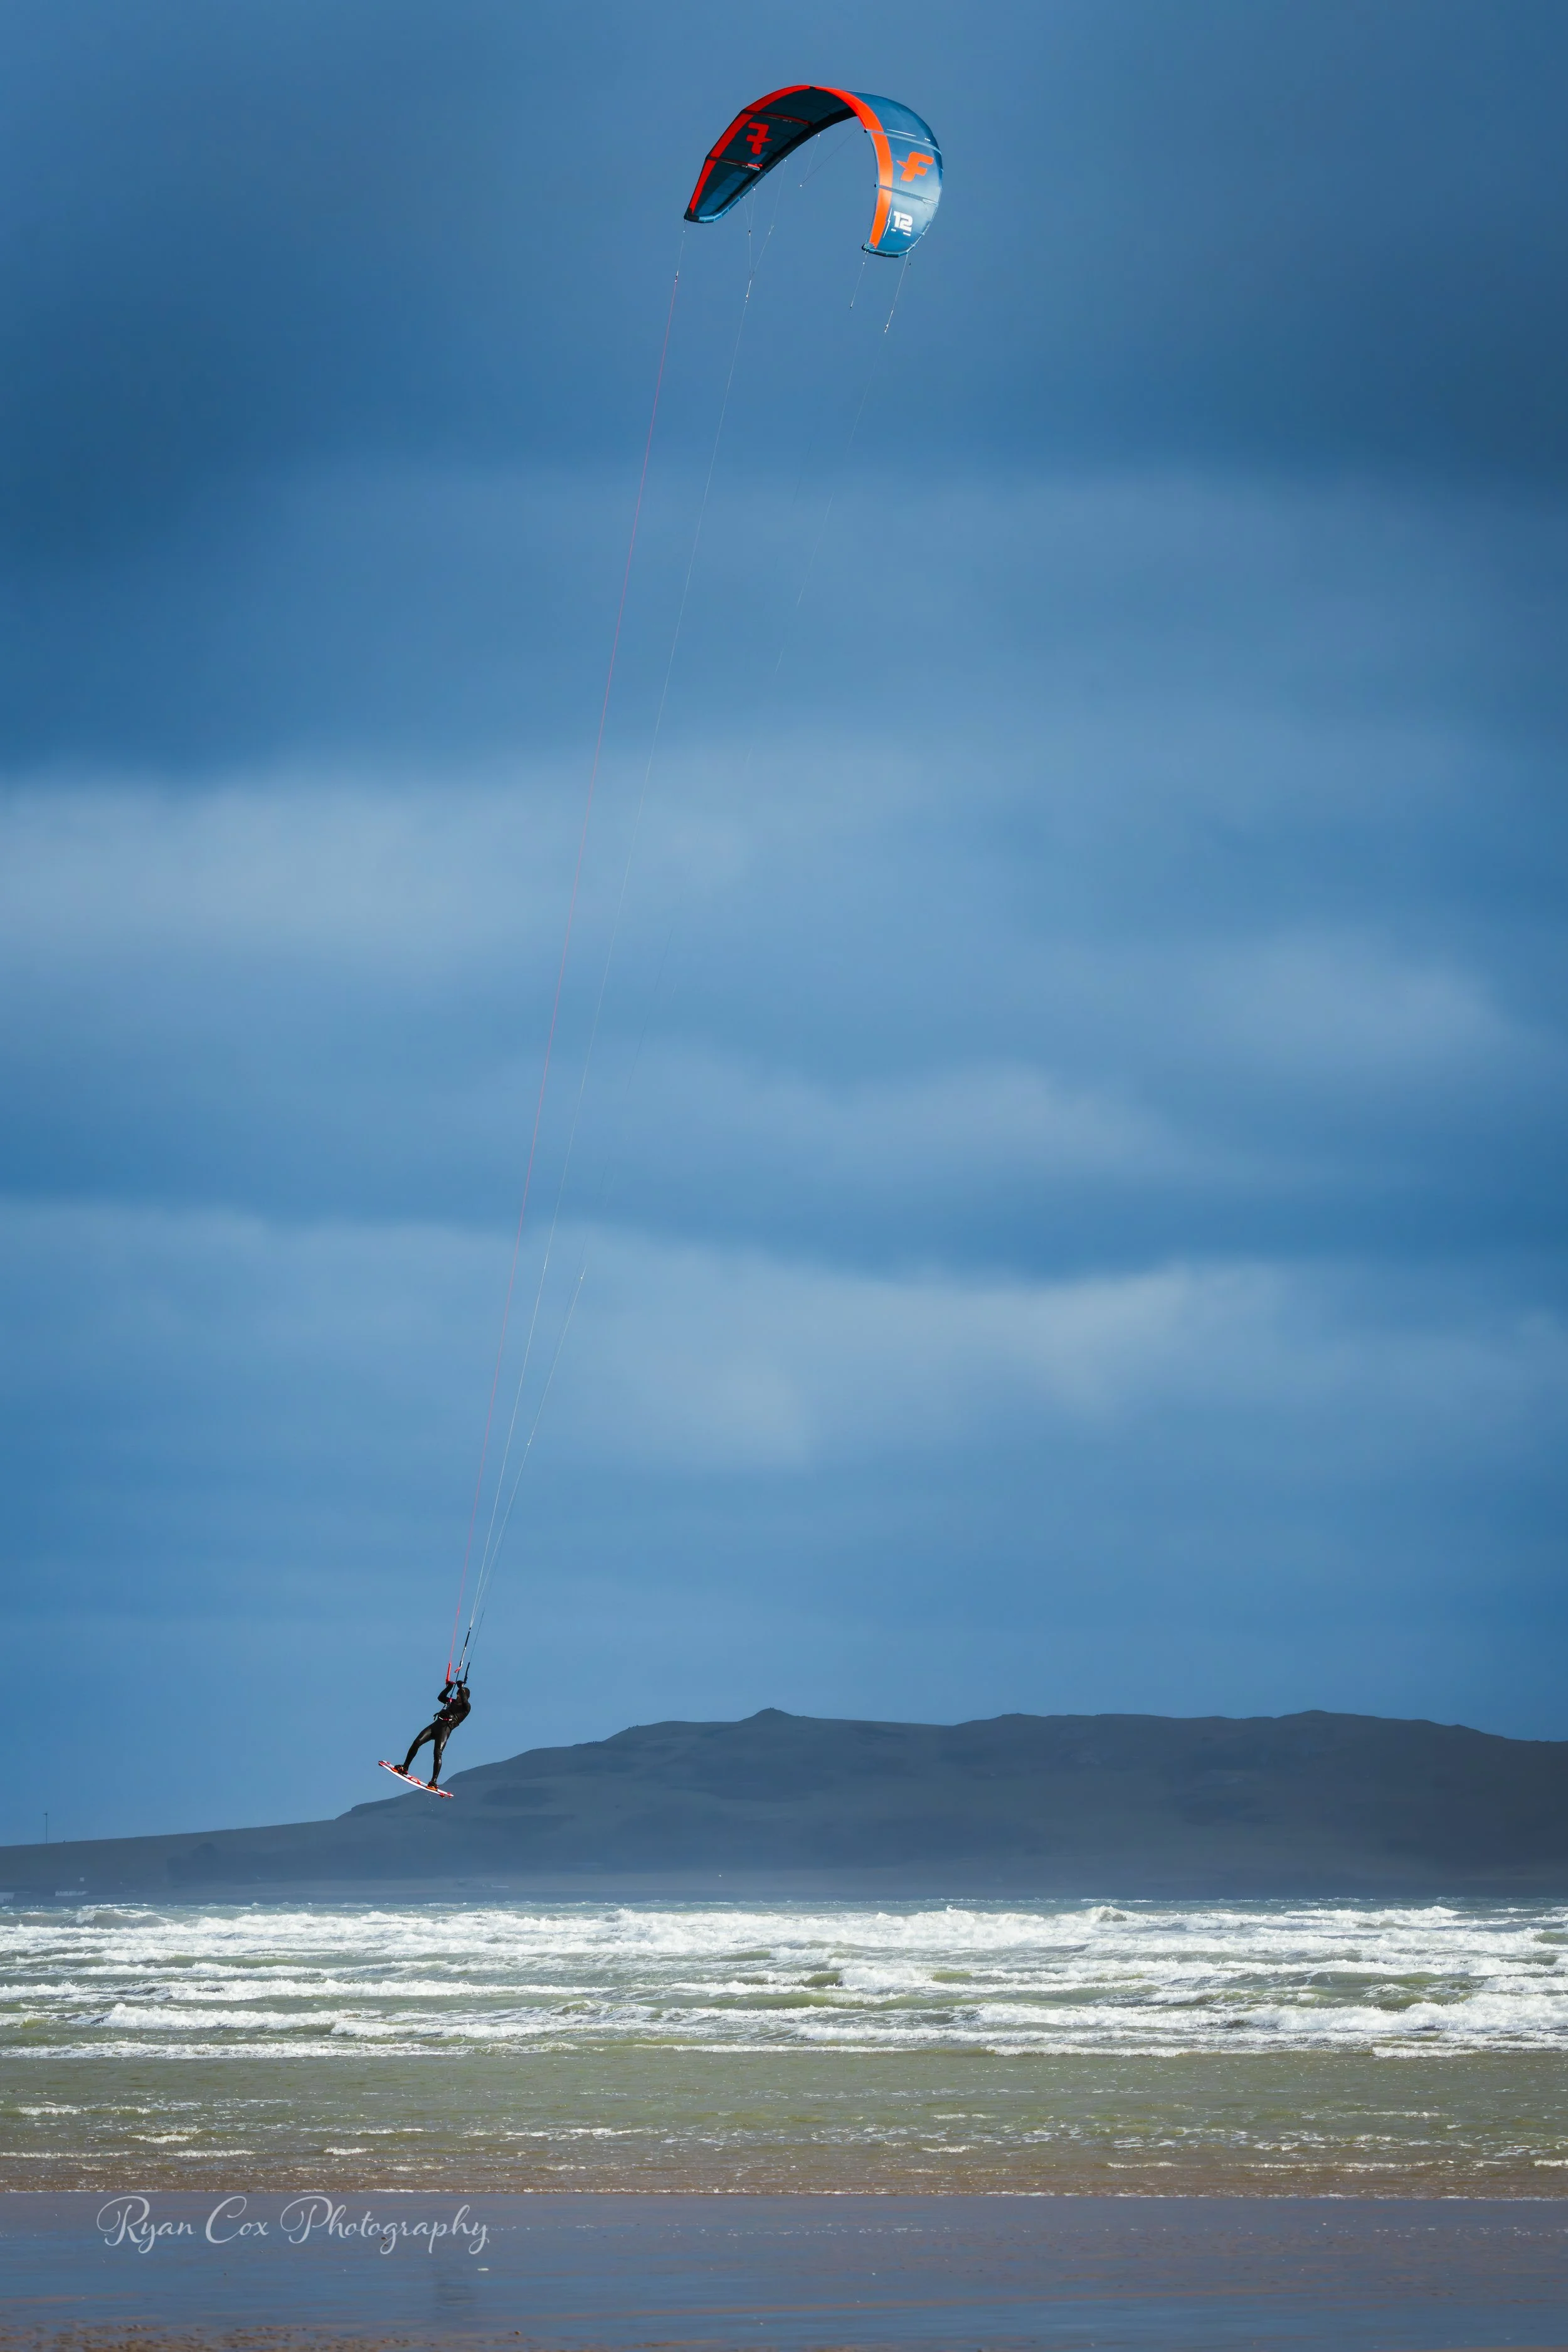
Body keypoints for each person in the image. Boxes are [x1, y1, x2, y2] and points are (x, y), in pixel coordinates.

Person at [401, 1676, 471, 1789]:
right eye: (457, 1694)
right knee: (417, 1742)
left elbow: (464, 1700)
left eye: (460, 1694)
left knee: (437, 1754)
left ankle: (434, 1781)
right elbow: (441, 1697)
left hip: (445, 1730)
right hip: (435, 1726)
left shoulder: (466, 1708)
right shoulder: (451, 1702)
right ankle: (405, 1767)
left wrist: (462, 1688)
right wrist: (450, 1687)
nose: (458, 1696)